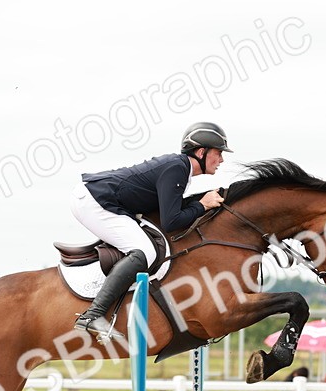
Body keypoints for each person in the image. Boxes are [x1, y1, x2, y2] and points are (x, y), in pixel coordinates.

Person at [70, 122, 231, 339]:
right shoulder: (177, 168)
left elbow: (172, 210)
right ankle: (93, 315)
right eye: (219, 153)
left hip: (102, 199)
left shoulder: (180, 169)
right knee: (145, 251)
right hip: (95, 201)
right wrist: (202, 205)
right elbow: (171, 221)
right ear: (201, 152)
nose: (221, 160)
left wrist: (199, 203)